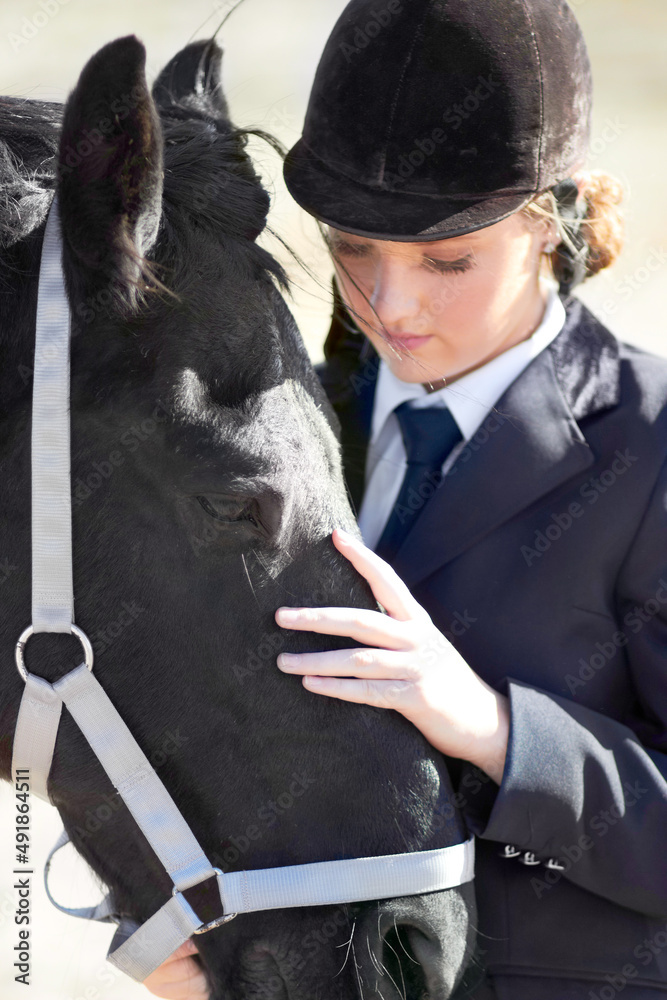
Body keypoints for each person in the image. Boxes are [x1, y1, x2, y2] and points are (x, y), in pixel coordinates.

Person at [145, 1, 667, 997]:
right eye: (351, 248)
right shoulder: (274, 418)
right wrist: (184, 918)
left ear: (551, 219)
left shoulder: (651, 444)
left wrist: (496, 730)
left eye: (446, 261)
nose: (389, 304)